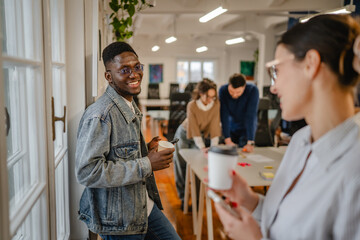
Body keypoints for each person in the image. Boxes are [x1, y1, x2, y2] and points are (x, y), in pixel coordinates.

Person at [214, 14, 360, 240]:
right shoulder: (301, 140)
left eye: (277, 71)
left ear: (311, 64)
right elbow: (290, 225)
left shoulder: (354, 171)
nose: (273, 87)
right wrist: (250, 201)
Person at [75, 42, 181, 240]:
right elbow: (87, 172)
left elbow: (118, 154)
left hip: (142, 204)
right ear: (109, 76)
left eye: (137, 67)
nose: (134, 74)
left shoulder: (128, 105)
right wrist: (147, 163)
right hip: (119, 219)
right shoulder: (101, 115)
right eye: (124, 70)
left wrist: (144, 151)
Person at [173, 78, 222, 208]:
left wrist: (214, 148)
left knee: (198, 168)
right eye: (208, 96)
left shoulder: (216, 104)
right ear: (201, 93)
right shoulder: (192, 105)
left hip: (199, 136)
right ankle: (184, 199)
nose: (210, 99)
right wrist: (202, 147)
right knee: (181, 166)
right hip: (184, 134)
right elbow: (193, 129)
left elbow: (215, 127)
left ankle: (197, 201)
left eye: (213, 96)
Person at [219, 73, 259, 152]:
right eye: (231, 91)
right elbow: (224, 115)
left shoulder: (253, 90)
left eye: (238, 92)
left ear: (244, 87)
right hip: (231, 127)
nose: (234, 95)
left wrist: (250, 141)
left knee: (244, 153)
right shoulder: (223, 90)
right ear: (228, 85)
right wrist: (227, 139)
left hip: (246, 129)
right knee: (230, 153)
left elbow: (251, 116)